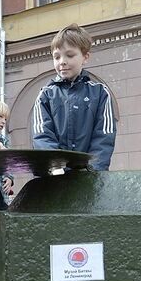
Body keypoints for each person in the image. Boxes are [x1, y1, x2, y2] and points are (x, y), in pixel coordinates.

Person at [32, 23, 117, 171]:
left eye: (69, 55)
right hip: (55, 179)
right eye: (56, 57)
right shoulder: (45, 95)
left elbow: (104, 137)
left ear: (85, 57)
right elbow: (42, 136)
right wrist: (56, 167)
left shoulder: (100, 93)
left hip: (89, 178)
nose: (62, 61)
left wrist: (92, 170)